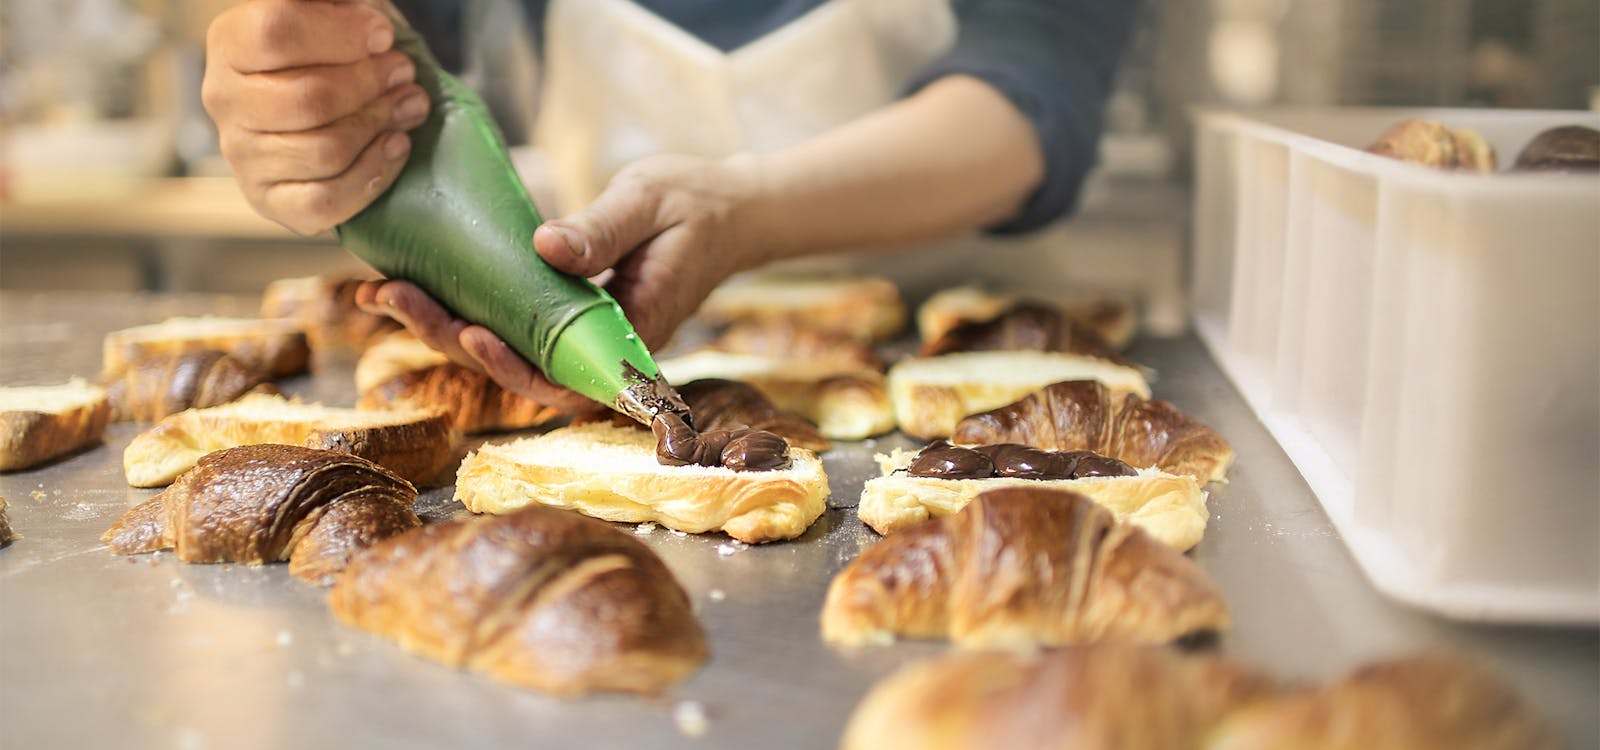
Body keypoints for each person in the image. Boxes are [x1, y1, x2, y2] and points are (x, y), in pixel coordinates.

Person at [203, 0, 1138, 413]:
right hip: (606, 321)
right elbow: (374, 52)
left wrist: (752, 209)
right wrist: (305, 102)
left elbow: (1032, 100)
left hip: (967, 356)